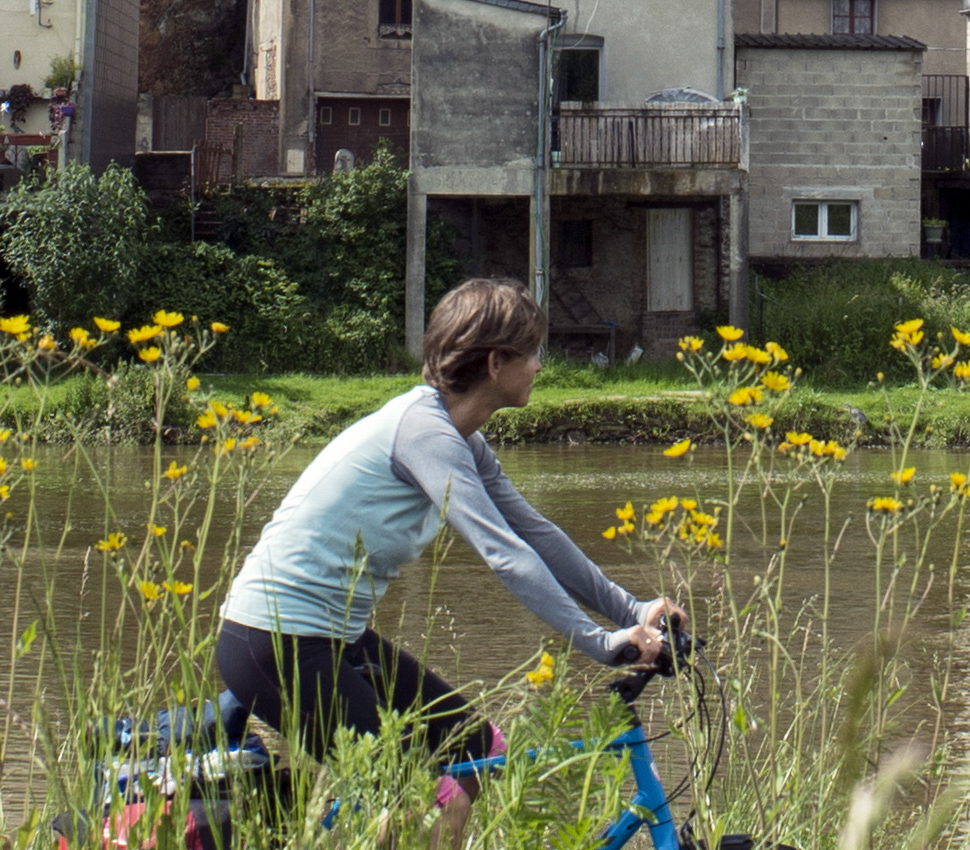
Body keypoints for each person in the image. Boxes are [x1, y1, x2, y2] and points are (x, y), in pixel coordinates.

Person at [215, 277, 684, 787]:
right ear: (493, 364)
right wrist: (601, 642)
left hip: (333, 638)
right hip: (275, 644)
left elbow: (535, 533)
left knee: (478, 754)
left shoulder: (462, 440)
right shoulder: (424, 433)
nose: (540, 367)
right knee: (432, 796)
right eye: (530, 353)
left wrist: (631, 611)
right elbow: (503, 553)